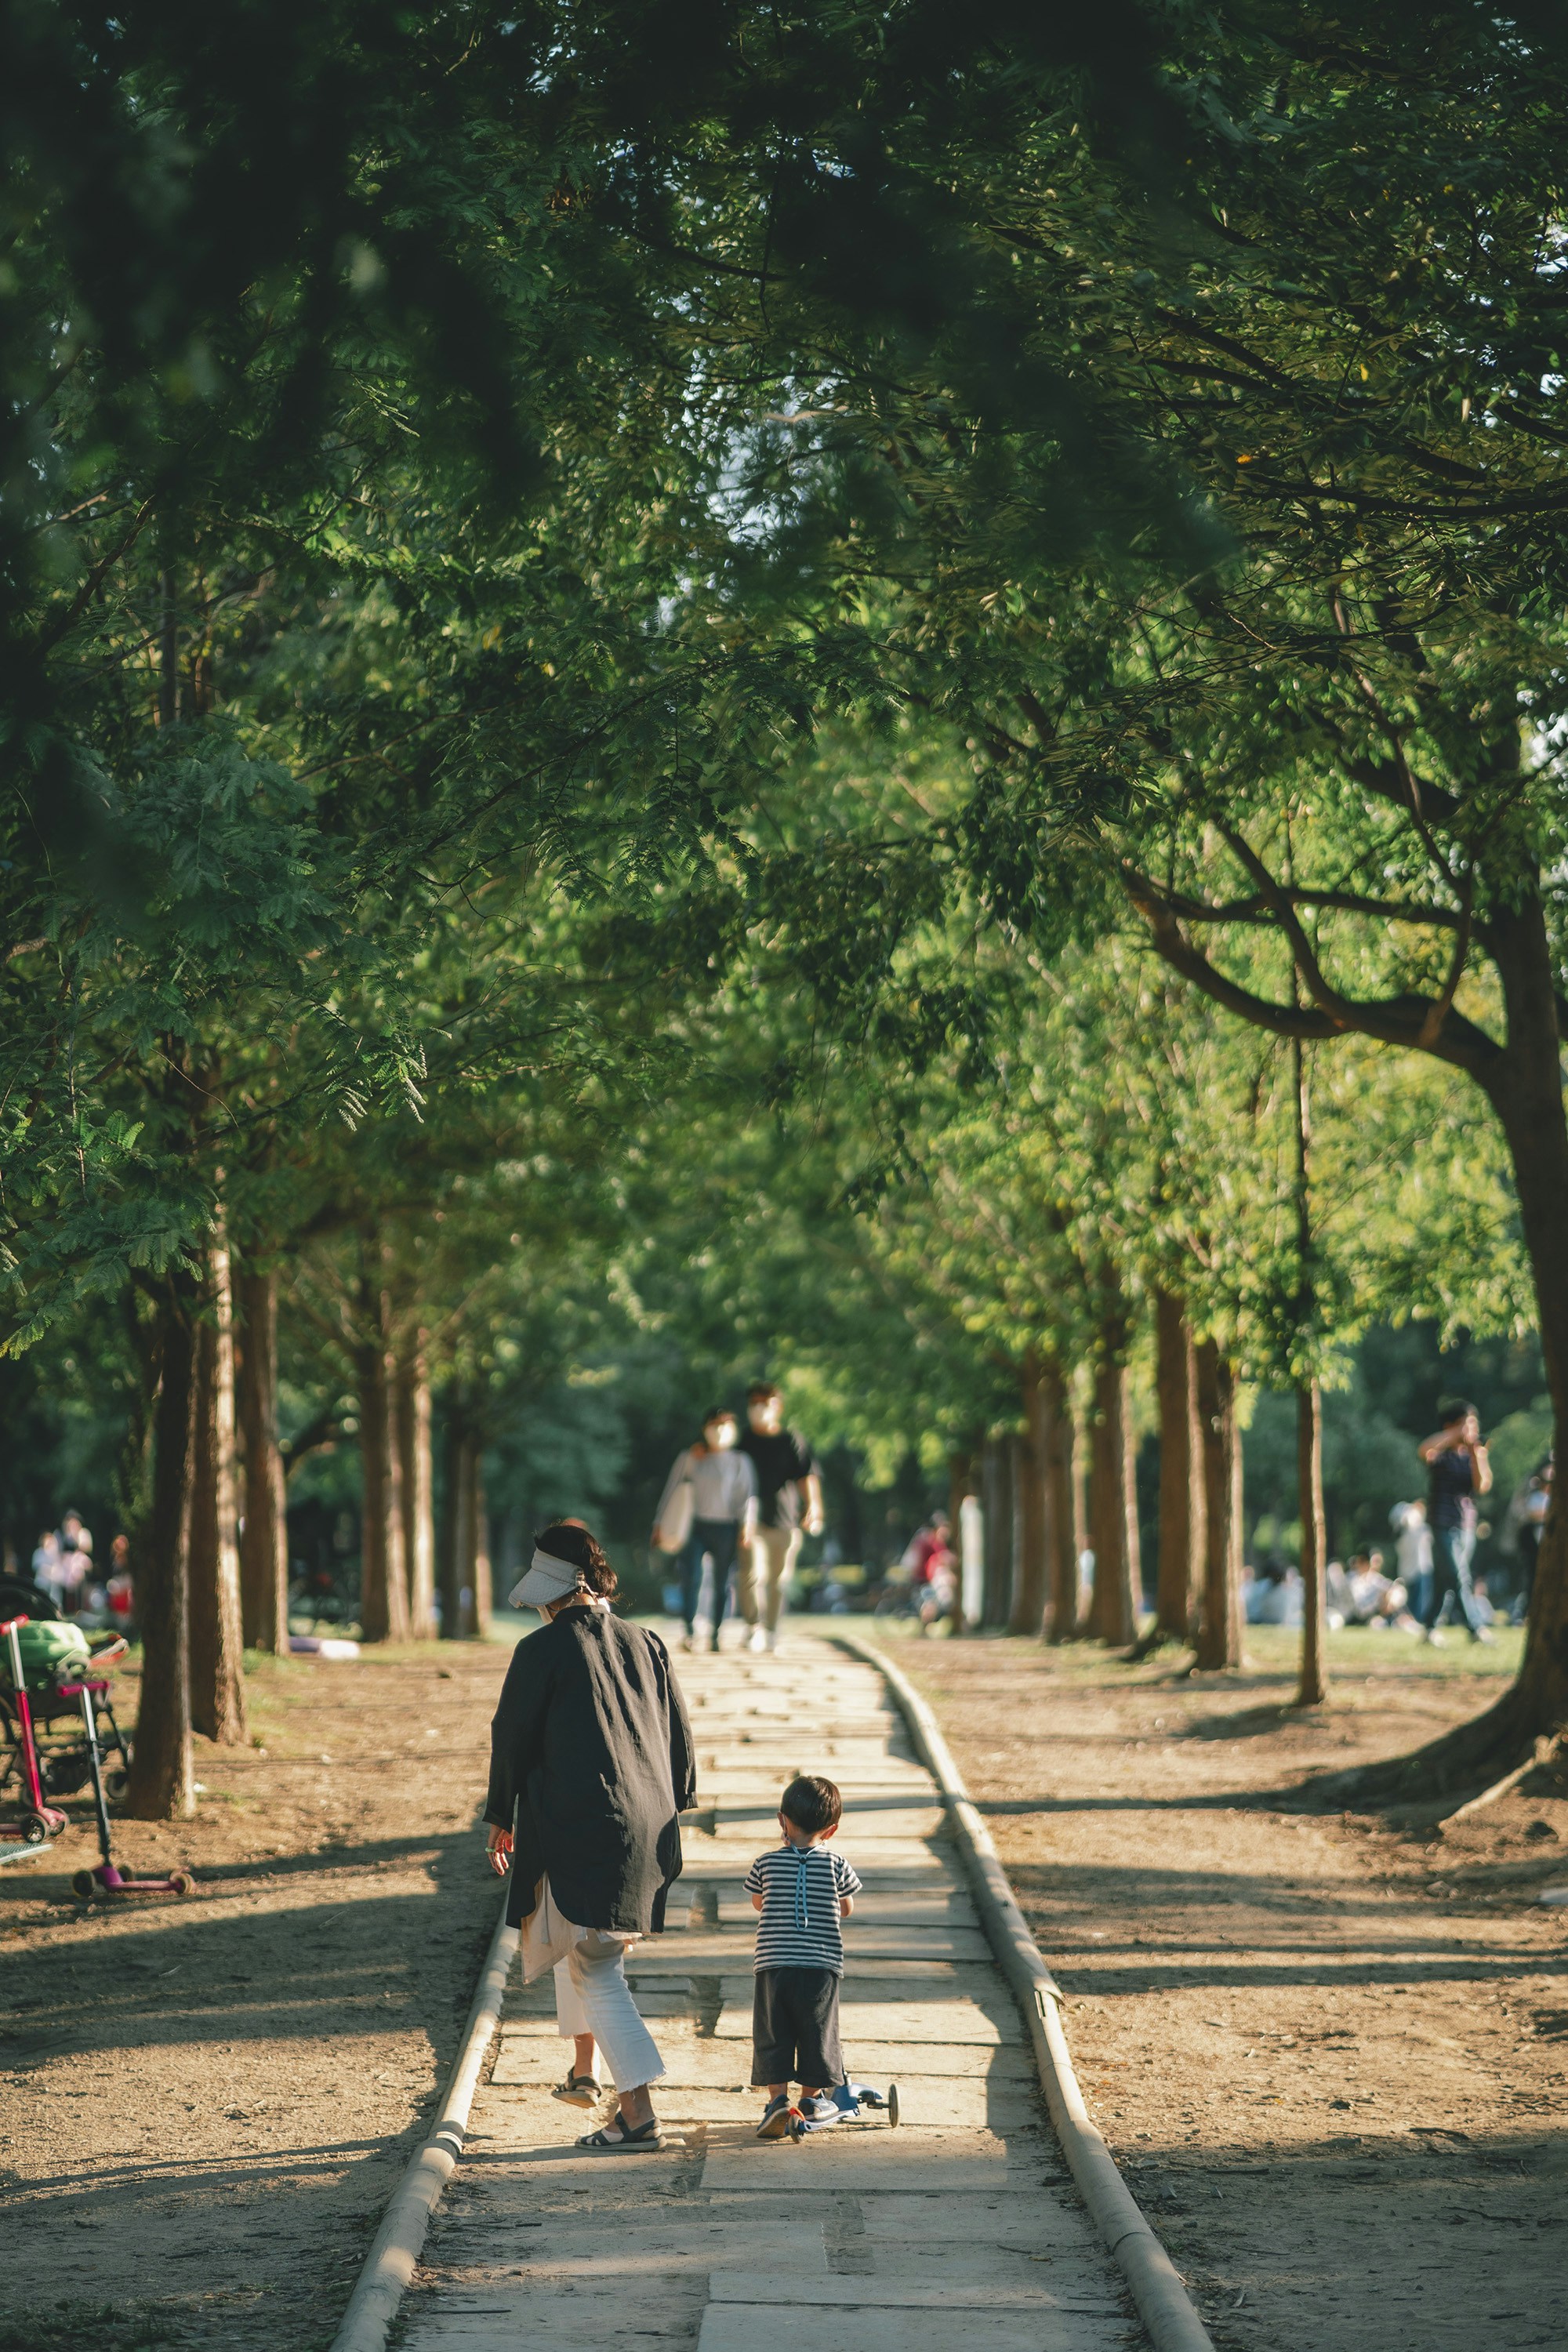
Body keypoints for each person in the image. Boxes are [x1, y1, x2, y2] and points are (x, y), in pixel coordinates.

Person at [485, 1520, 696, 2151]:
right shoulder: (647, 1641)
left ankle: (637, 2111)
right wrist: (672, 1805)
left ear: (555, 1590)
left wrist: (500, 1817)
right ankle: (585, 2072)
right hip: (649, 1822)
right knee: (588, 1951)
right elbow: (681, 1745)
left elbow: (511, 1738)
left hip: (582, 1821)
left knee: (596, 1964)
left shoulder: (541, 1651)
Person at [746, 1773, 862, 2140]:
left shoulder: (765, 1862)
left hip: (774, 1964)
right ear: (832, 1830)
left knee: (773, 2032)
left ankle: (778, 2101)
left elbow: (758, 1902)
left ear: (782, 1820)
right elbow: (847, 1908)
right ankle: (810, 2101)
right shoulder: (837, 1864)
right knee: (816, 2033)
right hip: (820, 1966)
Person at [654, 1409, 757, 1653]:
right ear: (705, 1428)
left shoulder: (740, 1461)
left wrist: (746, 1526)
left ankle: (716, 1634)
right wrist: (659, 1524)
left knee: (723, 1581)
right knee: (692, 1577)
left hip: (726, 1527)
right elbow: (672, 1489)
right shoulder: (692, 1457)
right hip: (695, 1526)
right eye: (715, 1424)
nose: (720, 1430)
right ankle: (689, 1630)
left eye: (725, 1424)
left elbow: (747, 1496)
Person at [738, 1384, 825, 1653]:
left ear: (778, 1407)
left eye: (767, 1402)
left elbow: (806, 1475)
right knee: (750, 1576)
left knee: (779, 1581)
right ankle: (754, 1627)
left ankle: (772, 1631)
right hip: (750, 1523)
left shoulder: (791, 1440)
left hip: (785, 1522)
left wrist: (813, 1506)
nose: (760, 1408)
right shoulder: (742, 1442)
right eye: (755, 1402)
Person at [1417, 1398, 1494, 1645]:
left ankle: (1429, 1629)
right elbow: (1423, 1450)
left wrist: (1477, 1454)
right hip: (1441, 1522)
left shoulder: (1474, 1455)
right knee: (1458, 1575)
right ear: (1451, 1425)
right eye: (1465, 1424)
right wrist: (1452, 1436)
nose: (1471, 1429)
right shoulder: (1441, 1455)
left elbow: (1482, 1486)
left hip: (1466, 1525)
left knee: (1447, 1578)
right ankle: (1476, 1628)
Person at [1391, 1499, 1434, 1627]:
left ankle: (1416, 1622)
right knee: (1414, 1606)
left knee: (1419, 1604)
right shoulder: (1413, 1529)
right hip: (1415, 1571)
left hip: (1418, 1569)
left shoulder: (1419, 1529)